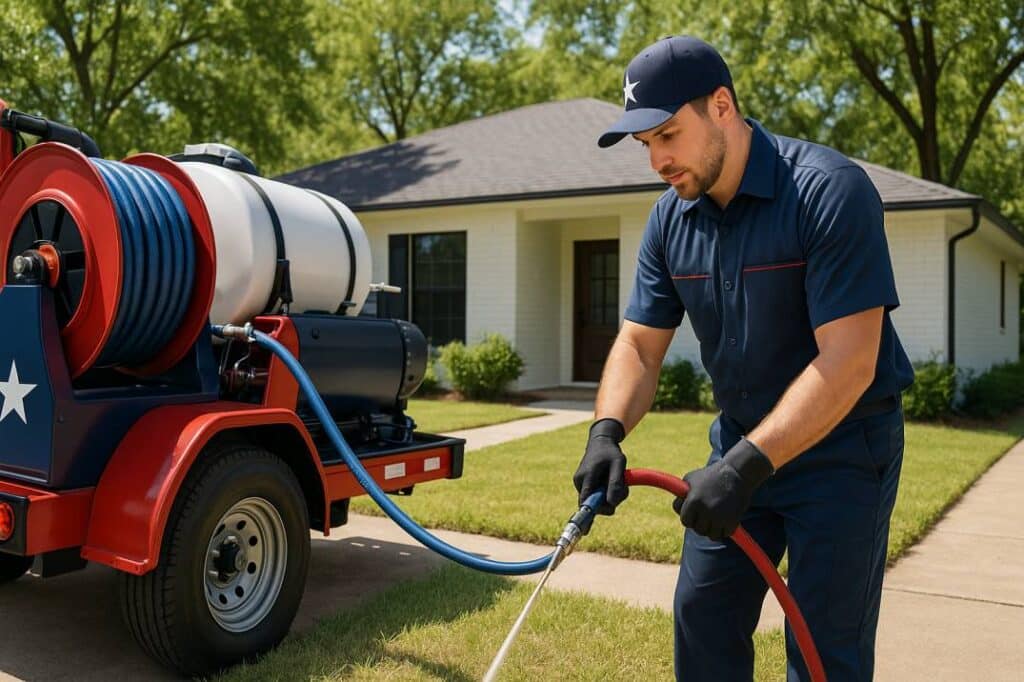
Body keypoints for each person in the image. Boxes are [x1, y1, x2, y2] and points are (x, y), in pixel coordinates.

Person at [572, 35, 914, 681]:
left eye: (669, 134)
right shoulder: (671, 218)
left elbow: (849, 361)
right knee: (703, 618)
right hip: (737, 445)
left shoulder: (827, 191)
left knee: (823, 649)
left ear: (721, 105)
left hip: (844, 452)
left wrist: (745, 467)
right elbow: (640, 346)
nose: (659, 162)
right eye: (648, 145)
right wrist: (606, 432)